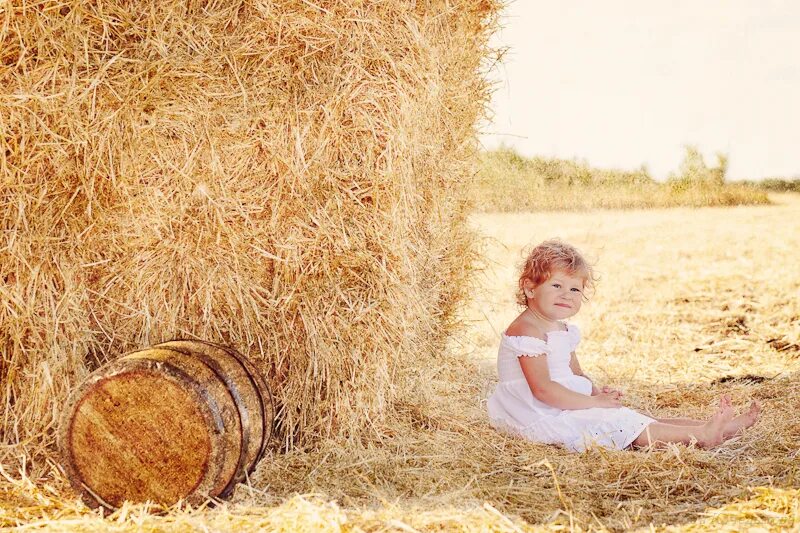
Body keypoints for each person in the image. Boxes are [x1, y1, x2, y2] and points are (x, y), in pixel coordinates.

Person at [486, 239, 760, 451]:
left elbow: (576, 374)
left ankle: (716, 427)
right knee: (616, 424)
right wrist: (594, 403)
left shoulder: (563, 329)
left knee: (631, 417)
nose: (566, 295)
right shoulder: (526, 331)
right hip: (540, 416)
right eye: (556, 286)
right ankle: (702, 436)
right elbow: (543, 390)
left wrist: (597, 394)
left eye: (575, 289)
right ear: (530, 287)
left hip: (563, 404)